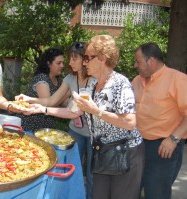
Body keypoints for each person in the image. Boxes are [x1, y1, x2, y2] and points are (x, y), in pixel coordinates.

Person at [16, 42, 97, 199]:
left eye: (74, 59)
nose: (70, 63)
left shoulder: (95, 80)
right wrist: (30, 99)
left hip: (94, 133)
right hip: (76, 131)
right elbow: (51, 101)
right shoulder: (69, 78)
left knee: (92, 173)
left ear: (85, 60)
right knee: (69, 169)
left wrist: (41, 107)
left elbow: (69, 110)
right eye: (69, 59)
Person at [73, 35, 144, 199]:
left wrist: (97, 111)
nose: (84, 62)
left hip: (125, 153)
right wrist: (42, 108)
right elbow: (75, 112)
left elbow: (130, 122)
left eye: (87, 58)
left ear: (102, 58)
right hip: (102, 153)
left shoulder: (121, 83)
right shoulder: (92, 83)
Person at [132, 42, 187, 199]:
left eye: (138, 61)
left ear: (151, 61)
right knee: (132, 190)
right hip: (138, 144)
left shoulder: (178, 80)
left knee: (156, 193)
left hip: (163, 146)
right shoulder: (137, 80)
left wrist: (173, 139)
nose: (136, 65)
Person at [18, 48, 65, 131]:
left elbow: (63, 102)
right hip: (31, 124)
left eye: (62, 63)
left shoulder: (58, 80)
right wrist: (67, 93)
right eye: (58, 63)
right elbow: (49, 104)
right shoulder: (42, 79)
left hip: (46, 125)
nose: (62, 66)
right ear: (49, 63)